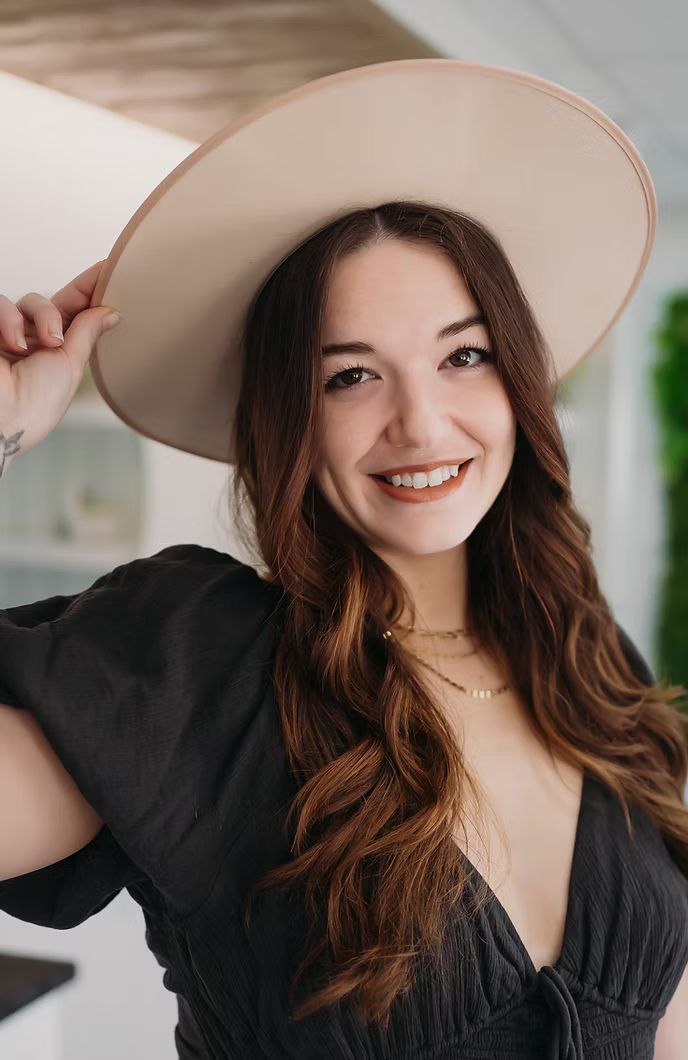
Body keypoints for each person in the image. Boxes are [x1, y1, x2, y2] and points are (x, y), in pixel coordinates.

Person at [1, 64, 687, 1060]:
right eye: (352, 375)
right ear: (290, 419)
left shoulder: (589, 663)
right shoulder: (201, 667)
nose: (421, 423)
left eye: (463, 355)